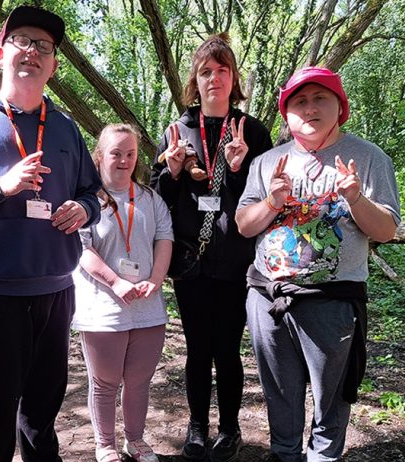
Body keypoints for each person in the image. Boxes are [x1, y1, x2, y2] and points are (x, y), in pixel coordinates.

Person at [0, 6, 101, 462]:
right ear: (0, 53)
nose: (32, 51)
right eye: (23, 41)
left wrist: (82, 209)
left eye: (44, 47)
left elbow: (93, 193)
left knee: (42, 414)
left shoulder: (67, 127)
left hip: (56, 288)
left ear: (53, 66)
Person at [235, 67, 401, 462]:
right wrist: (273, 202)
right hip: (268, 298)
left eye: (320, 98)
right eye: (299, 101)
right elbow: (244, 225)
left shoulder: (368, 157)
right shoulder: (267, 162)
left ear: (339, 107)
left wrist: (356, 198)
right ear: (286, 112)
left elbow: (387, 230)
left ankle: (324, 457)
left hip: (333, 302)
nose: (309, 108)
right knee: (279, 395)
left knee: (332, 400)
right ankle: (285, 453)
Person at [149, 33, 273, 462]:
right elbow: (155, 197)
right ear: (195, 81)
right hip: (189, 263)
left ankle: (231, 429)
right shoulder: (176, 131)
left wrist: (238, 170)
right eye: (206, 71)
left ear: (234, 78)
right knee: (198, 349)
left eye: (222, 70)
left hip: (237, 262)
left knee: (227, 348)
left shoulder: (254, 131)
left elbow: (266, 199)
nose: (214, 78)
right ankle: (197, 427)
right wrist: (175, 172)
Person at [72, 124, 173, 462]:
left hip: (147, 307)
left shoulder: (151, 199)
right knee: (105, 382)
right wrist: (115, 282)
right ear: (99, 157)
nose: (124, 160)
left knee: (139, 380)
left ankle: (135, 440)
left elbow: (164, 240)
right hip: (102, 307)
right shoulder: (87, 201)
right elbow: (81, 250)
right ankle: (105, 445)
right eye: (116, 153)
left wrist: (156, 280)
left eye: (130, 154)